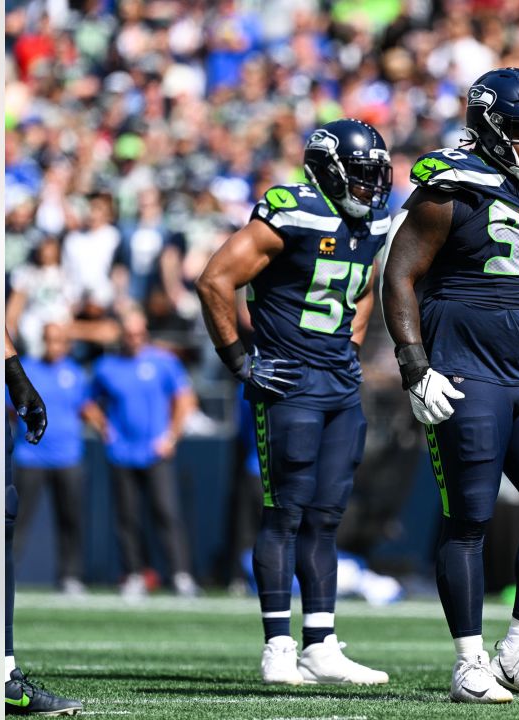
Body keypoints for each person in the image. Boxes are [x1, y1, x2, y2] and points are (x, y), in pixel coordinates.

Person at [382, 67, 519, 704]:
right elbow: (398, 276)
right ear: (487, 127)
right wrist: (414, 365)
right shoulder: (450, 186)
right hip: (464, 366)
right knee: (471, 517)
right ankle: (469, 661)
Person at [196, 118, 393, 686]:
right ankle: (278, 644)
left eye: (374, 175)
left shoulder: (374, 219)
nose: (369, 187)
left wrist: (352, 342)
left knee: (327, 517)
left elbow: (363, 283)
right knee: (284, 512)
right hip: (288, 381)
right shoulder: (291, 210)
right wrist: (240, 361)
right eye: (359, 175)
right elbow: (214, 280)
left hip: (337, 381)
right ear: (328, 170)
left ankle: (321, 643)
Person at [82, 310, 200, 600]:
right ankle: (133, 573)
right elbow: (87, 402)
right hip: (122, 452)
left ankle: (180, 574)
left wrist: (171, 435)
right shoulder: (106, 367)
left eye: (139, 333)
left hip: (155, 451)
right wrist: (104, 428)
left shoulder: (163, 362)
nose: (135, 339)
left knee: (166, 513)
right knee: (127, 517)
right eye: (130, 333)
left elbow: (185, 399)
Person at [5, 329, 83, 716]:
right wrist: (17, 376)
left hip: (66, 456)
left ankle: (0, 673)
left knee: (0, 527)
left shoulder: (75, 372)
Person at [10, 323, 89, 596]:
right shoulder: (26, 369)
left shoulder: (75, 373)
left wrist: (105, 426)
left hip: (68, 456)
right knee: (17, 520)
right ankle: (7, 574)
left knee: (70, 520)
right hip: (30, 455)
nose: (54, 346)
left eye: (59, 341)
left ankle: (70, 576)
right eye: (50, 340)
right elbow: (8, 408)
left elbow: (85, 407)